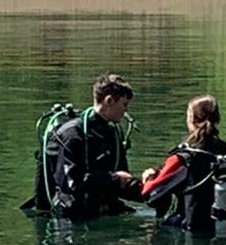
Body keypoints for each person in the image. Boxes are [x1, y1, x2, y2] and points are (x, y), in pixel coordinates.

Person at [25, 74, 143, 219]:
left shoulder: (112, 133)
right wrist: (113, 179)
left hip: (100, 208)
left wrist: (152, 188)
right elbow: (72, 185)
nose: (126, 111)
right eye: (124, 105)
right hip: (71, 216)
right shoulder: (72, 135)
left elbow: (122, 182)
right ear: (109, 100)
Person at [141, 95, 226, 234]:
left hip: (190, 232)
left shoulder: (184, 158)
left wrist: (148, 178)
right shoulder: (223, 154)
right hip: (219, 229)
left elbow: (151, 195)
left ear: (191, 119)